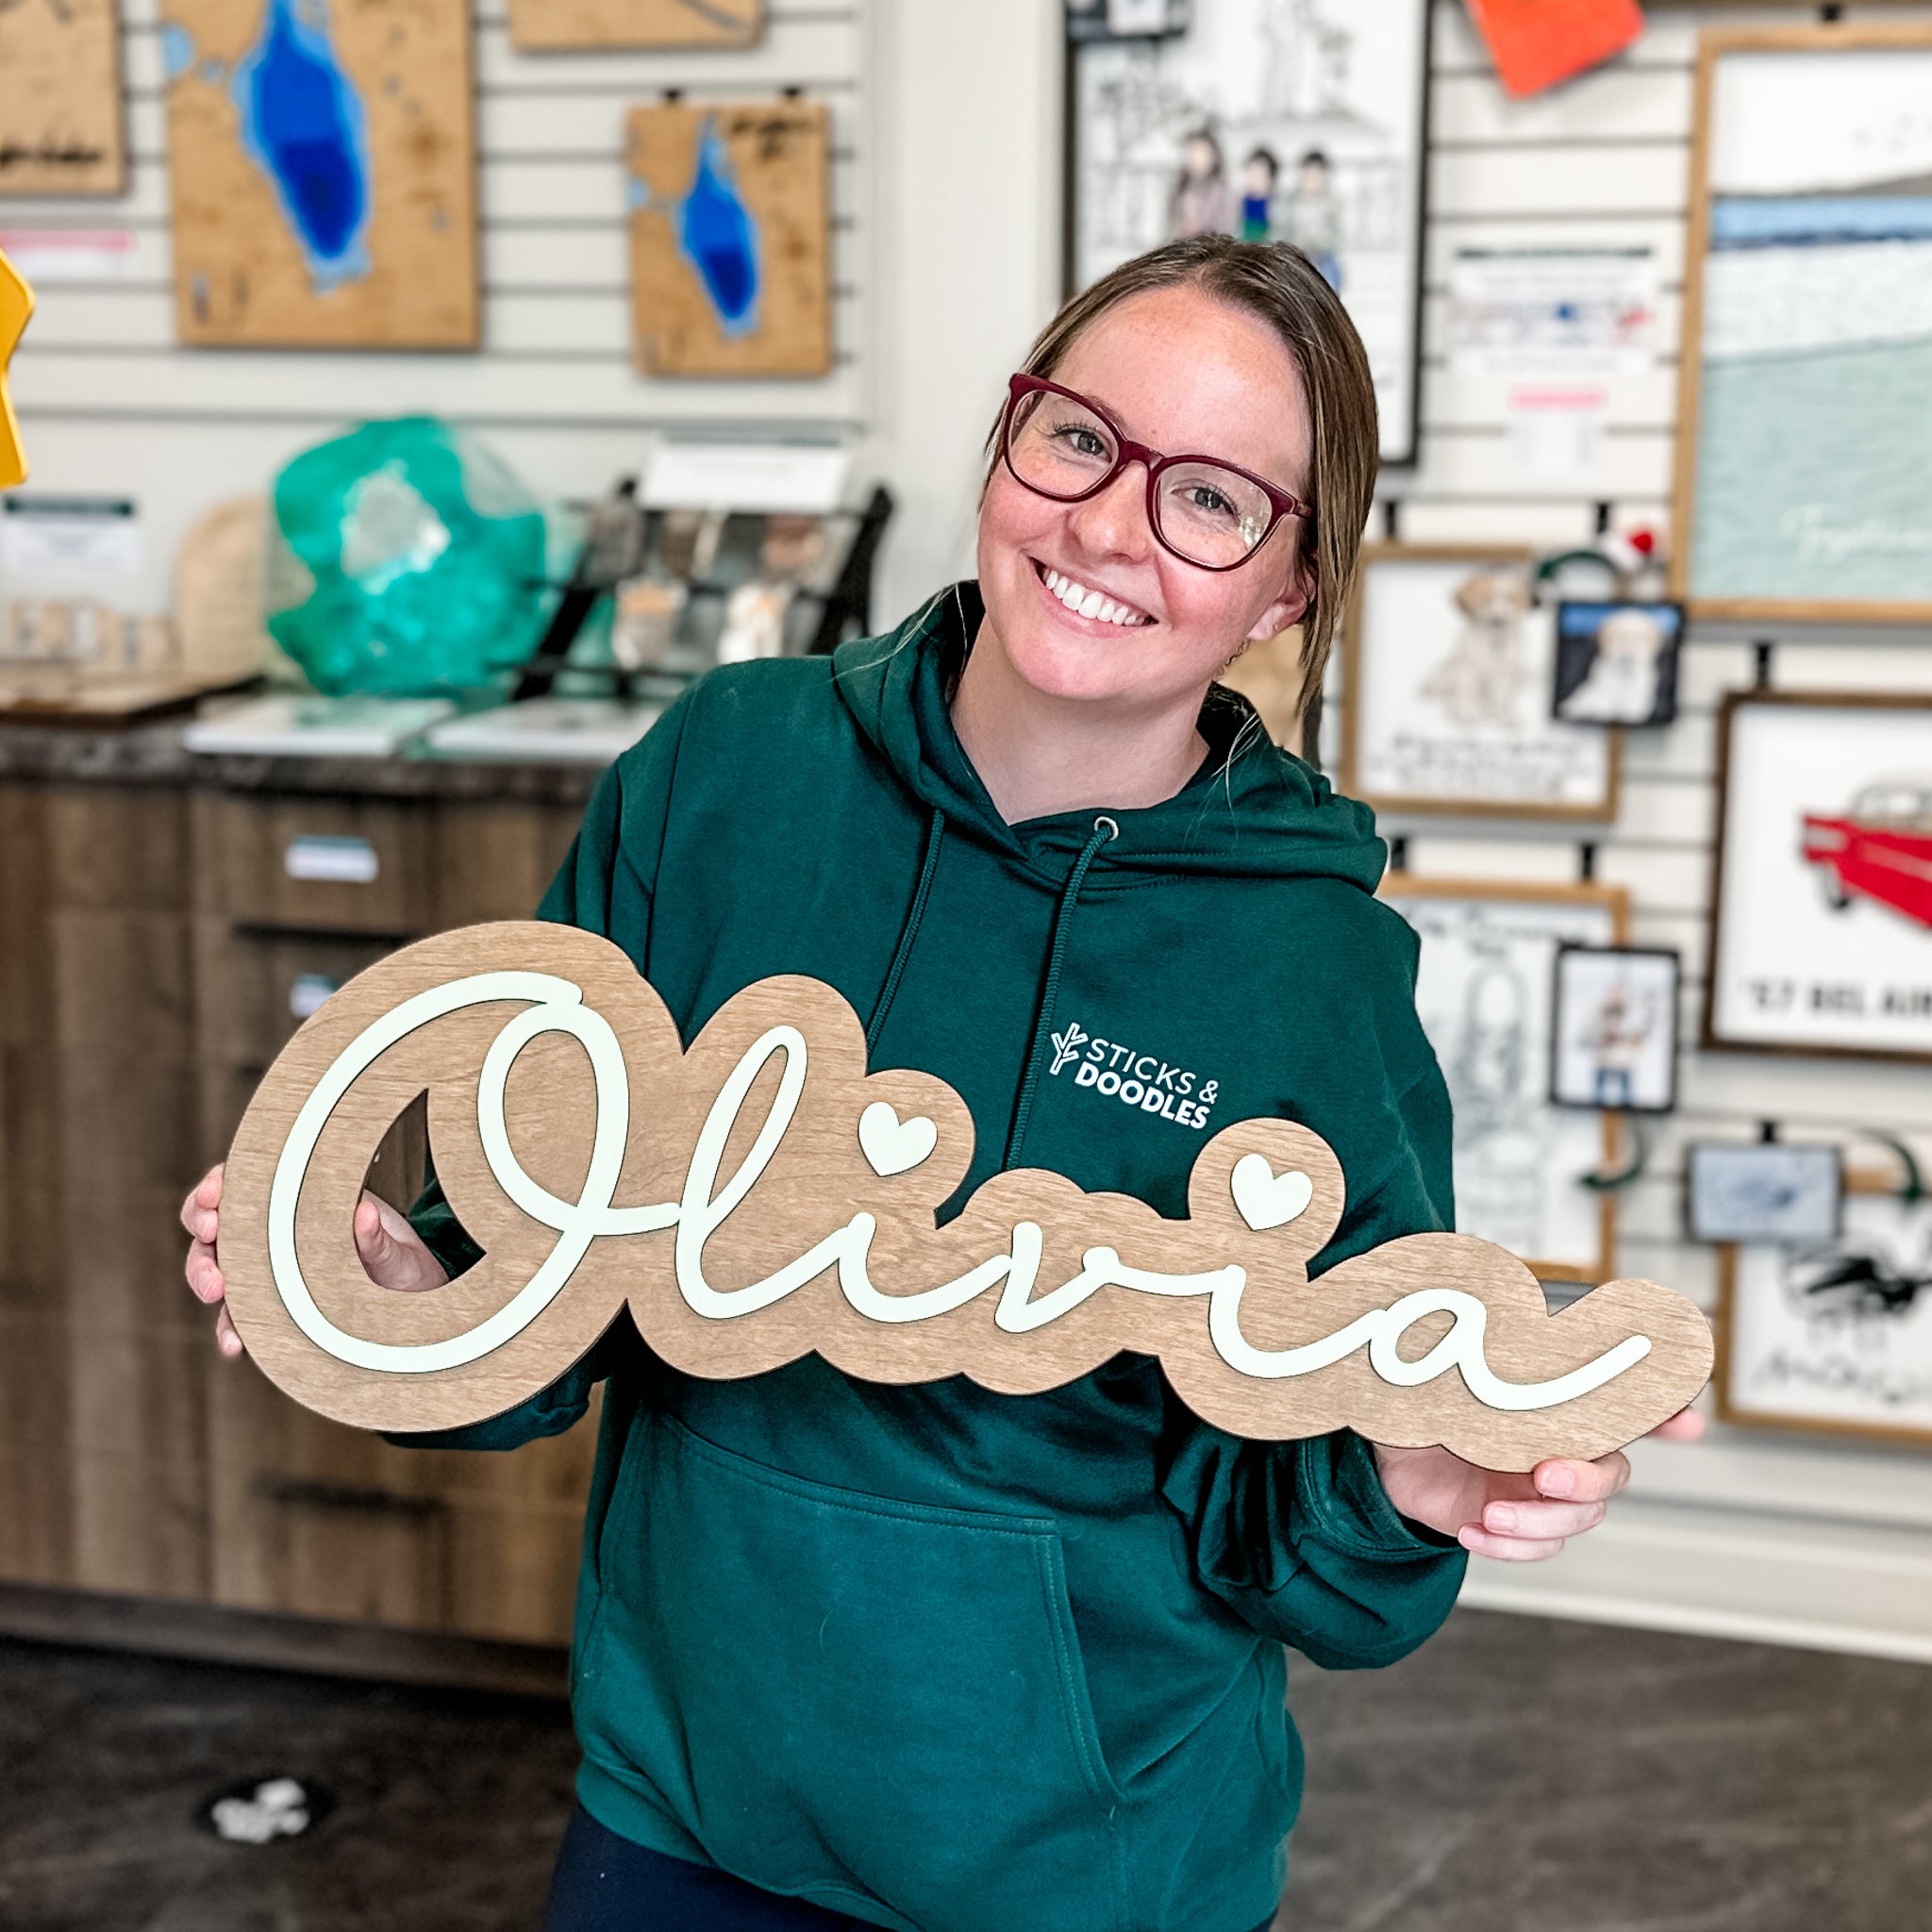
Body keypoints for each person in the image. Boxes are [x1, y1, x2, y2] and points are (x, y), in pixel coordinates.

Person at [182, 235, 1696, 1932]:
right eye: (1078, 438)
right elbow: (546, 1275)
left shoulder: (1313, 972)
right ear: (1009, 435)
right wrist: (412, 1284)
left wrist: (1404, 1481)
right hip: (679, 1808)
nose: (1110, 522)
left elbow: (1312, 1554)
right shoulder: (724, 774)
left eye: (1207, 497)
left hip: (1083, 1869)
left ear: (1287, 586)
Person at [1281, 148, 1341, 292]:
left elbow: (1336, 233)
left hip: (1323, 253)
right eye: (1308, 176)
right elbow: (1286, 230)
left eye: (1317, 177)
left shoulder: (1330, 202)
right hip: (1299, 252)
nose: (1311, 181)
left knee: (1330, 272)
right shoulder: (1292, 202)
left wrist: (1322, 244)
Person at [1167, 127, 1235, 241]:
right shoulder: (1179, 188)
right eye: (1193, 152)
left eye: (1203, 152)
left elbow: (1227, 230)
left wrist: (1202, 227)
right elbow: (1170, 224)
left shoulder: (1223, 192)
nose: (1198, 158)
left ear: (1214, 156)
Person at [1239, 146, 1278, 243]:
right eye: (1252, 175)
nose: (1254, 181)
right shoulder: (1239, 204)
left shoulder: (1278, 206)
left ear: (1271, 178)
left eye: (1260, 176)